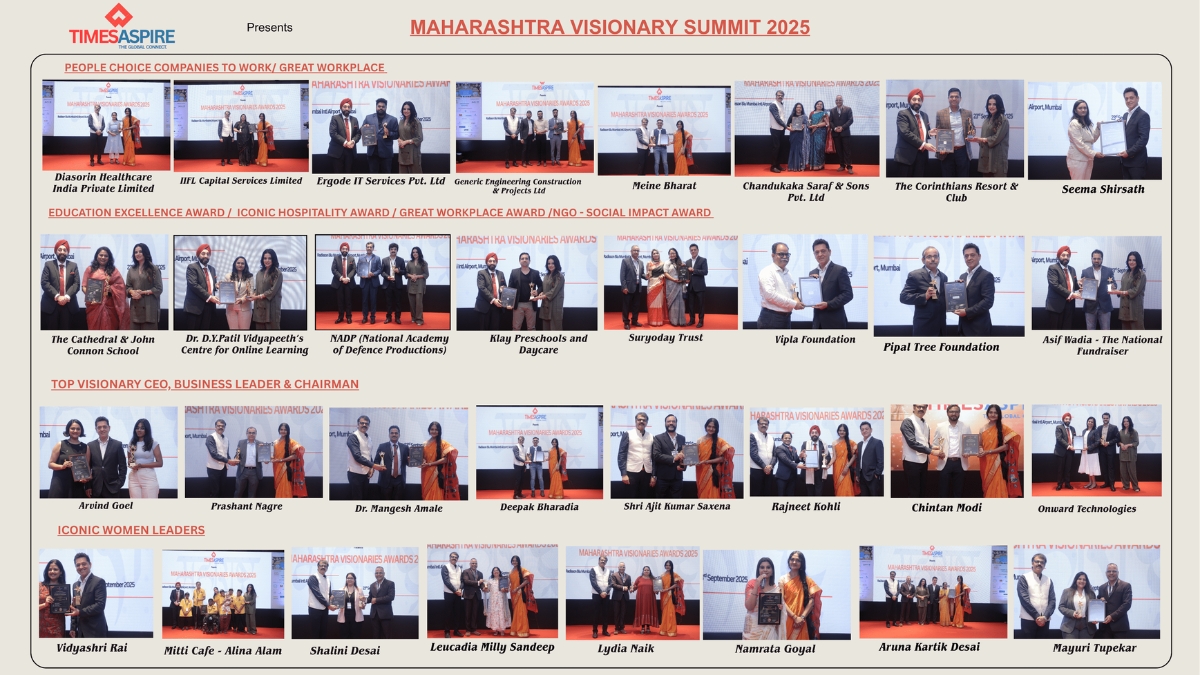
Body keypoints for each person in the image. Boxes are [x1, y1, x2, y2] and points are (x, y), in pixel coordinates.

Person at [803, 239, 853, 329]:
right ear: (814, 255)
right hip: (817, 323)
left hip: (835, 323)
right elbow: (811, 296)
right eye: (817, 252)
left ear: (829, 252)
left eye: (823, 251)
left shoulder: (839, 270)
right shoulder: (813, 273)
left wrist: (828, 304)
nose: (820, 254)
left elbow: (848, 294)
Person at [900, 246, 947, 336]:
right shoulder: (915, 275)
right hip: (924, 328)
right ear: (923, 260)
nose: (933, 259)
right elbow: (903, 297)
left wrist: (958, 286)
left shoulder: (944, 277)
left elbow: (942, 299)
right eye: (929, 257)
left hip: (941, 328)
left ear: (939, 259)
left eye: (935, 256)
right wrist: (924, 296)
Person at [757, 242, 805, 329]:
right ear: (773, 255)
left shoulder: (788, 274)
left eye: (787, 254)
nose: (785, 257)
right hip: (771, 319)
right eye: (781, 254)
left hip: (786, 318)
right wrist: (794, 304)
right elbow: (770, 295)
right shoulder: (767, 272)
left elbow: (793, 290)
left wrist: (797, 299)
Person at [979, 403, 1022, 498]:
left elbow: (1006, 447)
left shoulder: (1004, 428)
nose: (993, 414)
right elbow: (980, 444)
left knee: (998, 485)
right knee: (987, 485)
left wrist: (989, 451)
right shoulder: (982, 429)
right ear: (987, 413)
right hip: (985, 460)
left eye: (995, 413)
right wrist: (981, 450)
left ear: (999, 415)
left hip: (998, 461)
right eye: (991, 412)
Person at [84, 246, 129, 330]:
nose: (103, 257)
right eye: (101, 255)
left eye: (106, 256)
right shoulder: (90, 269)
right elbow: (84, 287)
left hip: (109, 306)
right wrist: (92, 298)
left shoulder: (113, 270)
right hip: (94, 305)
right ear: (96, 256)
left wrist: (111, 289)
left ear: (109, 258)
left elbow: (121, 287)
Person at [956, 243, 995, 336]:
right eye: (966, 256)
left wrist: (967, 312)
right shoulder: (963, 276)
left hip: (979, 328)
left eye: (972, 255)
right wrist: (957, 289)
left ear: (979, 256)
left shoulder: (986, 275)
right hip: (963, 326)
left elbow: (988, 301)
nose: (969, 258)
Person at [900, 404, 940, 498]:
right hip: (912, 462)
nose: (921, 409)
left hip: (923, 461)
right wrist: (931, 451)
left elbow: (924, 442)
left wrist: (933, 447)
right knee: (914, 492)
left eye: (924, 407)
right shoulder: (908, 422)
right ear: (914, 407)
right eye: (919, 406)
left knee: (922, 491)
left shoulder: (925, 423)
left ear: (926, 409)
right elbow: (912, 442)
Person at [893, 89, 934, 177]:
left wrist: (929, 133)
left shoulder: (924, 115)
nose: (917, 102)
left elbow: (921, 133)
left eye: (919, 100)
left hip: (922, 157)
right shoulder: (903, 114)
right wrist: (924, 144)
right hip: (906, 157)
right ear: (909, 101)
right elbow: (905, 133)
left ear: (922, 102)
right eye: (914, 99)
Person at [934, 88, 975, 177]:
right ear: (948, 98)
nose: (954, 99)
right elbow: (938, 132)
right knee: (947, 178)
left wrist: (971, 134)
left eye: (956, 97)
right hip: (947, 152)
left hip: (963, 151)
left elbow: (972, 129)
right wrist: (941, 147)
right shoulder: (940, 113)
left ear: (960, 98)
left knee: (963, 178)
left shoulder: (967, 113)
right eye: (951, 97)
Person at [41, 239, 80, 330]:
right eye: (60, 250)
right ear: (56, 251)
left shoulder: (73, 266)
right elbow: (44, 282)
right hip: (51, 305)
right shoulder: (48, 264)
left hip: (68, 305)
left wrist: (66, 297)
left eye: (64, 250)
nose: (62, 252)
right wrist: (57, 296)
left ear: (67, 252)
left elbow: (76, 284)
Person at [781, 551, 820, 640]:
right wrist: (794, 617)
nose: (794, 562)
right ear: (789, 561)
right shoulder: (783, 579)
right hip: (787, 617)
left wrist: (801, 618)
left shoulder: (808, 581)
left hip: (802, 620)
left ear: (802, 563)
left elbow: (812, 601)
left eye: (798, 560)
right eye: (792, 559)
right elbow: (781, 600)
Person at [67, 552, 108, 637]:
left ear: (90, 564)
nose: (81, 567)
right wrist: (73, 628)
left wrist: (80, 612)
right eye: (78, 565)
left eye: (84, 564)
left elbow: (100, 605)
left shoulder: (98, 582)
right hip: (81, 631)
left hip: (95, 630)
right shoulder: (76, 585)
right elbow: (76, 606)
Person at [932, 405, 968, 499]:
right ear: (947, 413)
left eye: (956, 412)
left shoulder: (966, 427)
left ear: (959, 413)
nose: (954, 414)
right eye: (951, 411)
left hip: (960, 463)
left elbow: (969, 443)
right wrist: (939, 452)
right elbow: (935, 444)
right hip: (945, 462)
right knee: (943, 492)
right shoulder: (940, 426)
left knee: (958, 492)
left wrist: (968, 452)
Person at [1017, 552, 1055, 638]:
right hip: (1028, 619)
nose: (1039, 564)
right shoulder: (1024, 578)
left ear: (1044, 565)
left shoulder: (1048, 580)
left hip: (1045, 620)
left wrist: (1045, 617)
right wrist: (1037, 617)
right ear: (1032, 563)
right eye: (1037, 561)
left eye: (1042, 562)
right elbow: (1024, 599)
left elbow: (1052, 600)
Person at [48, 420, 89, 498]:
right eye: (72, 428)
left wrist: (85, 479)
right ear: (68, 430)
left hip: (77, 486)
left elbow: (87, 469)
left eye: (78, 429)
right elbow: (50, 464)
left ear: (81, 430)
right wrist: (62, 466)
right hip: (60, 484)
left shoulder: (86, 447)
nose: (75, 431)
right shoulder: (60, 444)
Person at [742, 557, 781, 640]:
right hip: (753, 629)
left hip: (769, 630)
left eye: (768, 567)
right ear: (758, 570)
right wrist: (757, 584)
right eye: (762, 567)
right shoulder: (752, 583)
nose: (765, 570)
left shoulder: (776, 589)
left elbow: (777, 613)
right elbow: (749, 607)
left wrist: (780, 609)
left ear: (772, 571)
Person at [347, 415, 385, 499]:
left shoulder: (368, 438)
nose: (364, 425)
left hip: (365, 474)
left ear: (369, 425)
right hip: (355, 474)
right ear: (357, 424)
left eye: (366, 423)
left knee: (364, 498)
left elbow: (368, 454)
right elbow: (357, 456)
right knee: (357, 499)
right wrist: (373, 465)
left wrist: (371, 468)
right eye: (362, 423)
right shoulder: (353, 437)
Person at [696, 418, 736, 499]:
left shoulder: (720, 441)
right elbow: (696, 456)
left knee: (712, 494)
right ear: (706, 426)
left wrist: (707, 461)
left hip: (713, 472)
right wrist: (691, 462)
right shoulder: (699, 440)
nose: (711, 429)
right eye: (709, 426)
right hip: (701, 470)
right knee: (702, 494)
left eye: (713, 427)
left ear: (717, 428)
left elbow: (723, 458)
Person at [618, 412, 655, 498]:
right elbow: (622, 454)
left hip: (647, 473)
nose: (641, 421)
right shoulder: (628, 434)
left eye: (644, 420)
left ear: (647, 422)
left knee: (644, 497)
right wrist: (623, 474)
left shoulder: (651, 436)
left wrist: (654, 475)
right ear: (635, 421)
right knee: (631, 497)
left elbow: (654, 457)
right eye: (639, 420)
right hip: (631, 473)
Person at [88, 416, 126, 498]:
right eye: (99, 427)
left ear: (109, 428)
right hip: (95, 487)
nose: (102, 429)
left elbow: (123, 466)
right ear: (96, 429)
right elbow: (88, 467)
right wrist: (88, 486)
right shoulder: (90, 445)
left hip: (113, 487)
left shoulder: (117, 445)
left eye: (104, 427)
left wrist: (120, 483)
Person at [1045, 245, 1081, 330]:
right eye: (1063, 255)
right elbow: (1055, 285)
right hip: (1056, 306)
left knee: (1067, 329)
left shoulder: (1072, 269)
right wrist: (1071, 294)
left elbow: (1073, 286)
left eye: (1068, 255)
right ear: (1058, 256)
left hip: (1070, 306)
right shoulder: (1053, 268)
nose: (1066, 257)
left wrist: (1080, 284)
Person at [421, 421, 459, 500]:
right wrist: (422, 460)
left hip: (437, 473)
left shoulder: (443, 443)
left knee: (436, 494)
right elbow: (423, 457)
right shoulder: (424, 444)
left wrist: (430, 464)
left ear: (439, 431)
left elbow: (446, 459)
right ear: (429, 430)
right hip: (426, 472)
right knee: (426, 495)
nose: (434, 431)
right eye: (432, 429)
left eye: (436, 429)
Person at [651, 414, 687, 498]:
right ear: (665, 423)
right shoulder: (658, 438)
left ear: (676, 423)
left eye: (673, 421)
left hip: (677, 477)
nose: (671, 423)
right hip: (663, 477)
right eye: (669, 421)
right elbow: (656, 455)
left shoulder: (682, 438)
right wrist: (674, 458)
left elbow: (684, 454)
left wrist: (684, 466)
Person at [185, 244, 219, 330]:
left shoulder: (212, 269)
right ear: (198, 255)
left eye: (208, 254)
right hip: (195, 307)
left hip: (209, 307)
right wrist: (209, 297)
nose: (206, 256)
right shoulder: (192, 267)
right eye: (203, 253)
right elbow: (194, 285)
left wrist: (216, 286)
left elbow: (209, 285)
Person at [361, 98, 399, 174]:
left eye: (383, 106)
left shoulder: (393, 119)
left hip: (386, 153)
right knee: (373, 175)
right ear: (376, 107)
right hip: (372, 153)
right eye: (379, 106)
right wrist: (364, 128)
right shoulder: (368, 118)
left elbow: (397, 135)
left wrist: (389, 133)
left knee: (386, 175)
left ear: (386, 108)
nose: (381, 108)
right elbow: (361, 131)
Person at [127, 418, 162, 499]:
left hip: (148, 477)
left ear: (147, 429)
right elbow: (130, 461)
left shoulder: (153, 443)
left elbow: (160, 463)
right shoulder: (132, 443)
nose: (139, 430)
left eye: (142, 428)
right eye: (137, 428)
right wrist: (132, 465)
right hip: (134, 477)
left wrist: (141, 465)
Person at [1119, 87, 1150, 179]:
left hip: (1137, 162)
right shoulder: (1125, 115)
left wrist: (1128, 152)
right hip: (1124, 161)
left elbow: (1143, 139)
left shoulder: (1143, 115)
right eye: (1126, 98)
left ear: (1137, 98)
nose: (1129, 100)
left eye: (1131, 98)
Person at [1096, 563, 1132, 638]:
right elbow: (1098, 604)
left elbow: (1127, 604)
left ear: (1118, 573)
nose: (1111, 573)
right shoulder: (1101, 587)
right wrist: (1099, 602)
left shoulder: (1125, 586)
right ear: (1106, 573)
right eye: (1109, 571)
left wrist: (1112, 616)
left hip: (1120, 627)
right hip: (1104, 627)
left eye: (1114, 571)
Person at [1081, 250, 1115, 330]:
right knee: (1090, 331)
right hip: (1090, 306)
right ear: (1091, 259)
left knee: (1106, 331)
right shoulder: (1085, 272)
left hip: (1105, 306)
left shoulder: (1108, 271)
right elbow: (1081, 286)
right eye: (1094, 258)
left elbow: (1112, 284)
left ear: (1102, 259)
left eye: (1098, 259)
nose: (1096, 260)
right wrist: (1081, 287)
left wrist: (1113, 286)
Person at [1058, 572, 1097, 639]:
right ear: (1075, 580)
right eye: (1079, 579)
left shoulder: (1091, 593)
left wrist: (1095, 618)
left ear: (1086, 581)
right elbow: (1061, 607)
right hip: (1069, 625)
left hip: (1087, 626)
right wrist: (1073, 613)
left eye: (1084, 579)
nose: (1082, 581)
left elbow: (1094, 609)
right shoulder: (1067, 591)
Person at [509, 252, 542, 331]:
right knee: (516, 328)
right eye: (522, 258)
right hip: (518, 304)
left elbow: (541, 286)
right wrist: (509, 303)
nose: (524, 260)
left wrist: (537, 292)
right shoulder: (514, 272)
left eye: (526, 258)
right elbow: (510, 288)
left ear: (529, 261)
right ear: (519, 261)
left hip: (531, 304)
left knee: (531, 328)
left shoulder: (535, 273)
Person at [251, 249, 283, 330]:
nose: (267, 260)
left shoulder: (277, 273)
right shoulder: (259, 273)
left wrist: (258, 297)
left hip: (271, 308)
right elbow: (257, 288)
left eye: (269, 258)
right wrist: (253, 294)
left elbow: (272, 291)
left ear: (273, 259)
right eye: (265, 258)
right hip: (259, 308)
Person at [273, 422, 307, 498]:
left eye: (285, 430)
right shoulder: (275, 442)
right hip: (277, 468)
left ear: (288, 431)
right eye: (281, 429)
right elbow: (275, 456)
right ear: (279, 430)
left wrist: (281, 460)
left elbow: (295, 456)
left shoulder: (292, 442)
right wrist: (266, 458)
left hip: (286, 468)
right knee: (279, 488)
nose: (283, 431)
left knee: (285, 487)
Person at [220, 255, 254, 330]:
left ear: (245, 265)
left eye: (242, 263)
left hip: (245, 307)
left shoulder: (249, 277)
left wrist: (243, 299)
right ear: (235, 264)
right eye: (238, 263)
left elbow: (251, 292)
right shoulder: (228, 276)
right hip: (231, 307)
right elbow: (225, 291)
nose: (240, 265)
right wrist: (220, 287)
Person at [362, 566, 395, 639]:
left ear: (384, 573)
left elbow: (391, 597)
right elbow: (371, 598)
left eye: (380, 573)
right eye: (376, 573)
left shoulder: (390, 583)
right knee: (375, 635)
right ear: (374, 574)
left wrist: (376, 600)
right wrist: (365, 600)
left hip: (385, 615)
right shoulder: (372, 585)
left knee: (387, 635)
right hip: (374, 615)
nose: (378, 574)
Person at [205, 419, 236, 498]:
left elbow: (226, 453)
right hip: (213, 469)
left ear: (224, 428)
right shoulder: (210, 438)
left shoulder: (226, 439)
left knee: (222, 490)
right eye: (218, 426)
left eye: (222, 426)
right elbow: (213, 454)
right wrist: (228, 460)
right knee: (214, 492)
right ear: (215, 427)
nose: (220, 427)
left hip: (224, 468)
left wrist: (231, 461)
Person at [475, 252, 506, 330]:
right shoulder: (481, 273)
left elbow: (504, 287)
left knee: (495, 330)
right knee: (483, 330)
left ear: (496, 262)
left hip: (497, 307)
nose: (492, 263)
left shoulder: (501, 273)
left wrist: (503, 289)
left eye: (494, 261)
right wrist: (493, 300)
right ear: (486, 262)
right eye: (490, 261)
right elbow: (482, 288)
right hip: (484, 307)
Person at [1116, 251, 1146, 330]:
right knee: (1126, 331)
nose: (1131, 262)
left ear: (1138, 261)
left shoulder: (1141, 275)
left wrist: (1121, 292)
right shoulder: (1126, 273)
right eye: (1129, 260)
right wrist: (1115, 291)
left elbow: (1135, 291)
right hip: (1124, 307)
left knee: (1137, 331)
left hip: (1134, 308)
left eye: (1134, 260)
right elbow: (1123, 288)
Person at [233, 426, 266, 498]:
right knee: (238, 492)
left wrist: (267, 459)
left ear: (256, 434)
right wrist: (235, 459)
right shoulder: (241, 443)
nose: (251, 434)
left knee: (252, 494)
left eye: (253, 433)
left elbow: (265, 459)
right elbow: (237, 455)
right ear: (246, 433)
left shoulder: (260, 444)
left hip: (254, 472)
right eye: (249, 433)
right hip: (242, 471)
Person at [328, 98, 360, 173]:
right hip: (337, 152)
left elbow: (358, 134)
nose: (347, 109)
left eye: (349, 107)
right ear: (341, 107)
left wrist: (353, 141)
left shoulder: (354, 120)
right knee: (338, 175)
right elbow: (333, 133)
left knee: (348, 174)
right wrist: (346, 143)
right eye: (345, 106)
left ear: (351, 108)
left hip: (350, 152)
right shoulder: (335, 118)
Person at [375, 425, 407, 501]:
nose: (394, 435)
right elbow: (376, 461)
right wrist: (379, 467)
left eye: (396, 433)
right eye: (392, 433)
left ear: (399, 435)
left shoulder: (405, 447)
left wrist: (414, 461)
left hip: (400, 480)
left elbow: (408, 462)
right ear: (389, 434)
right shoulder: (382, 446)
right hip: (385, 480)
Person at [330, 241, 359, 325]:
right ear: (340, 250)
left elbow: (354, 269)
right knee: (340, 301)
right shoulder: (336, 258)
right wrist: (341, 278)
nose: (344, 250)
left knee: (348, 301)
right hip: (338, 283)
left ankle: (349, 317)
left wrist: (348, 278)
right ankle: (340, 317)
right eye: (343, 248)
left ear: (348, 250)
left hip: (349, 283)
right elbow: (333, 269)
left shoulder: (351, 258)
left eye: (346, 249)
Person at [533, 255, 564, 331]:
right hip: (546, 306)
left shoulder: (560, 276)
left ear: (556, 264)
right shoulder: (546, 275)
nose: (550, 265)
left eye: (553, 263)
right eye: (549, 263)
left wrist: (540, 297)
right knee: (546, 330)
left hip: (555, 306)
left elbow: (554, 291)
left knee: (555, 330)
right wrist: (541, 293)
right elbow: (546, 288)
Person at [508, 556, 537, 638]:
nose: (514, 562)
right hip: (513, 593)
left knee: (521, 611)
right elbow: (509, 582)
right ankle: (515, 630)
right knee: (516, 612)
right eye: (513, 560)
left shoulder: (523, 570)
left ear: (518, 561)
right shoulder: (511, 571)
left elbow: (527, 581)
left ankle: (523, 631)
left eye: (516, 561)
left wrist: (517, 588)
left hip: (520, 593)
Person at [38, 559, 68, 637]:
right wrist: (44, 604)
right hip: (41, 627)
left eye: (55, 569)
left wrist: (71, 605)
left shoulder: (64, 589)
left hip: (58, 627)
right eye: (50, 569)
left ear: (61, 572)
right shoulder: (40, 586)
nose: (52, 571)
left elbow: (67, 609)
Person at [619, 245, 646, 330]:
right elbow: (622, 275)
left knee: (636, 306)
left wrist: (647, 276)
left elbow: (642, 274)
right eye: (634, 250)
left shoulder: (641, 262)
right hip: (628, 288)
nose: (636, 252)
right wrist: (624, 287)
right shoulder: (625, 261)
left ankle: (634, 320)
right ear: (631, 251)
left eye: (638, 250)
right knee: (626, 306)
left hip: (638, 287)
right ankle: (626, 322)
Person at [355, 242, 381, 325]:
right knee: (364, 301)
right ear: (366, 248)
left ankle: (372, 317)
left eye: (371, 247)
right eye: (368, 247)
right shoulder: (361, 258)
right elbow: (357, 269)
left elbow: (379, 269)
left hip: (373, 282)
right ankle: (365, 317)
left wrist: (373, 274)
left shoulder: (377, 258)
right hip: (364, 282)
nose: (369, 248)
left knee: (373, 300)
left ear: (373, 248)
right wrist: (361, 274)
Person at [855, 421, 884, 497]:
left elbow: (881, 460)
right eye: (862, 429)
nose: (864, 431)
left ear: (871, 430)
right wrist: (857, 474)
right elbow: (858, 460)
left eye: (866, 429)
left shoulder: (877, 442)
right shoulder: (859, 444)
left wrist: (877, 474)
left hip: (872, 476)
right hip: (862, 476)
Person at [393, 100, 422, 174]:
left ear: (412, 110)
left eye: (408, 109)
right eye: (404, 109)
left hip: (413, 152)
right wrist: (399, 140)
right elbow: (399, 134)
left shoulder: (416, 122)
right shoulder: (401, 121)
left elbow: (419, 138)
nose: (406, 111)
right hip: (402, 151)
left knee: (416, 175)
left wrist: (406, 142)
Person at [379, 243, 405, 325]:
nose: (393, 250)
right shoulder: (384, 260)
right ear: (389, 250)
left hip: (397, 284)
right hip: (388, 284)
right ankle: (388, 317)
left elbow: (404, 271)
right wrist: (387, 277)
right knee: (388, 302)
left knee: (398, 302)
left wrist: (399, 271)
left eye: (395, 249)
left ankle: (397, 317)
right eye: (391, 249)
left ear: (397, 250)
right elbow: (382, 272)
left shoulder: (401, 260)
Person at [749, 416, 775, 496]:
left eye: (766, 424)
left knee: (768, 493)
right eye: (762, 424)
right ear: (758, 425)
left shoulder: (771, 438)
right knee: (757, 493)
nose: (764, 425)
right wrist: (764, 467)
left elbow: (775, 455)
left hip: (769, 470)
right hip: (757, 470)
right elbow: (753, 454)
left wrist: (771, 465)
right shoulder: (753, 436)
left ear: (768, 426)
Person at [440, 552, 464, 637]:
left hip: (458, 594)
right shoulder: (445, 567)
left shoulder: (459, 568)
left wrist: (460, 589)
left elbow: (462, 581)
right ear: (449, 558)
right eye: (452, 557)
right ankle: (447, 631)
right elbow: (446, 581)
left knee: (457, 613)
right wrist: (455, 591)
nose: (454, 558)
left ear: (457, 559)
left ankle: (456, 631)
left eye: (456, 557)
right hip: (449, 594)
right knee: (448, 613)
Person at [659, 560, 685, 637]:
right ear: (665, 566)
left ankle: (671, 630)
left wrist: (667, 589)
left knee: (670, 612)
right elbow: (659, 585)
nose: (668, 566)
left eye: (669, 565)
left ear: (671, 566)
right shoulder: (662, 575)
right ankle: (664, 630)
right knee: (664, 613)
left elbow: (676, 585)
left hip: (670, 595)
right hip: (663, 595)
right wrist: (659, 589)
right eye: (666, 565)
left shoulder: (674, 575)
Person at [831, 423, 858, 497]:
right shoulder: (834, 443)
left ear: (846, 432)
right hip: (837, 467)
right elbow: (834, 457)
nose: (842, 432)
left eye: (844, 430)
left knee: (846, 487)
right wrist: (828, 465)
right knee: (838, 487)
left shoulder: (851, 442)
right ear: (838, 431)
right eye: (840, 430)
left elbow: (855, 455)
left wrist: (847, 466)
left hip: (846, 468)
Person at [483, 566, 511, 636]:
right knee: (494, 614)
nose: (495, 572)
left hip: (501, 600)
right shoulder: (490, 581)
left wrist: (505, 590)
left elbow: (507, 590)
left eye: (497, 570)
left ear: (499, 572)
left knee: (501, 613)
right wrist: (485, 589)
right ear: (492, 572)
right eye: (494, 571)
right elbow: (488, 590)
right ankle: (495, 630)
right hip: (493, 600)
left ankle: (502, 630)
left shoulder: (503, 580)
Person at [830, 94, 854, 173]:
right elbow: (830, 121)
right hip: (836, 134)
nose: (838, 101)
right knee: (839, 150)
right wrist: (835, 128)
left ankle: (849, 166)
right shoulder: (832, 110)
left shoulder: (848, 109)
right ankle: (842, 165)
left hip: (845, 133)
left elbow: (850, 120)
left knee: (847, 150)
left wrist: (842, 127)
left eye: (840, 100)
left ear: (842, 101)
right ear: (835, 101)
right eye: (837, 100)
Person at [1097, 412, 1121, 492]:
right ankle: (1106, 482)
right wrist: (1100, 441)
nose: (1105, 419)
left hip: (1110, 450)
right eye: (1104, 418)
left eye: (1107, 418)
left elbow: (1117, 438)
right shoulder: (1099, 428)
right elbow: (1097, 438)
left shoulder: (1114, 427)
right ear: (1102, 419)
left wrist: (1108, 442)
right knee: (1104, 467)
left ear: (1109, 419)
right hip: (1102, 450)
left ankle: (1112, 484)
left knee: (1111, 467)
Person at [1053, 412, 1078, 491]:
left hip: (1070, 452)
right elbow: (1059, 439)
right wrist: (1068, 446)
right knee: (1060, 469)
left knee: (1068, 469)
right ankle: (1059, 484)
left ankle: (1067, 483)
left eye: (1069, 419)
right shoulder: (1059, 427)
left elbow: (1074, 439)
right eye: (1066, 419)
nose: (1068, 420)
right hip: (1061, 451)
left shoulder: (1072, 428)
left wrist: (1077, 443)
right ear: (1063, 419)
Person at [307, 560, 331, 638]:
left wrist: (333, 600)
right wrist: (328, 605)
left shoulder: (328, 579)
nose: (323, 567)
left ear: (327, 568)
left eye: (325, 566)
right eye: (321, 565)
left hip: (325, 610)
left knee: (323, 632)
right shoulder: (313, 578)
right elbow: (317, 594)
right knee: (315, 633)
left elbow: (329, 593)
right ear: (318, 567)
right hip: (315, 609)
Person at [590, 555, 612, 638]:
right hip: (596, 594)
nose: (603, 561)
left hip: (606, 595)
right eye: (601, 560)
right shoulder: (593, 569)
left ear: (606, 562)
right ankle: (595, 631)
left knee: (605, 613)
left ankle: (605, 630)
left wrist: (605, 592)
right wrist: (600, 592)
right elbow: (593, 582)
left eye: (604, 560)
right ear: (598, 561)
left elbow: (610, 583)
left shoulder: (608, 571)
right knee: (596, 613)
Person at [338, 572, 366, 638]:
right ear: (346, 579)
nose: (349, 579)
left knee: (355, 636)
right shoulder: (341, 590)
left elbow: (363, 602)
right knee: (344, 636)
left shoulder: (359, 590)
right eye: (348, 578)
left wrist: (363, 603)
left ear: (354, 579)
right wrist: (334, 601)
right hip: (344, 616)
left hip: (356, 616)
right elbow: (338, 604)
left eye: (351, 578)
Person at [632, 565, 659, 635]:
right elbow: (634, 587)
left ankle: (648, 627)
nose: (646, 571)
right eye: (645, 570)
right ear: (643, 571)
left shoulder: (654, 579)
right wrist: (632, 588)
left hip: (650, 598)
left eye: (648, 570)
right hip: (641, 598)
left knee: (649, 611)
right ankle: (643, 627)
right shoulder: (639, 578)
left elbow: (656, 591)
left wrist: (657, 590)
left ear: (650, 571)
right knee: (642, 611)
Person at [664, 248, 687, 326]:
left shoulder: (680, 262)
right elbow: (665, 273)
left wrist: (684, 276)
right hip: (671, 284)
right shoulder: (667, 263)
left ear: (676, 254)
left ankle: (681, 321)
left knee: (680, 302)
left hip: (679, 284)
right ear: (669, 255)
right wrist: (674, 279)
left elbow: (684, 272)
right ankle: (673, 321)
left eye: (673, 253)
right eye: (670, 253)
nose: (672, 255)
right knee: (673, 302)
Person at [406, 246, 429, 326]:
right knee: (411, 303)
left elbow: (426, 274)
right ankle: (413, 317)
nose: (415, 253)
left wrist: (417, 276)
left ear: (419, 253)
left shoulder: (424, 263)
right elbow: (405, 273)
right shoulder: (409, 263)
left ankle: (419, 319)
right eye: (413, 252)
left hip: (420, 285)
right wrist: (411, 276)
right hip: (411, 284)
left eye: (416, 252)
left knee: (419, 304)